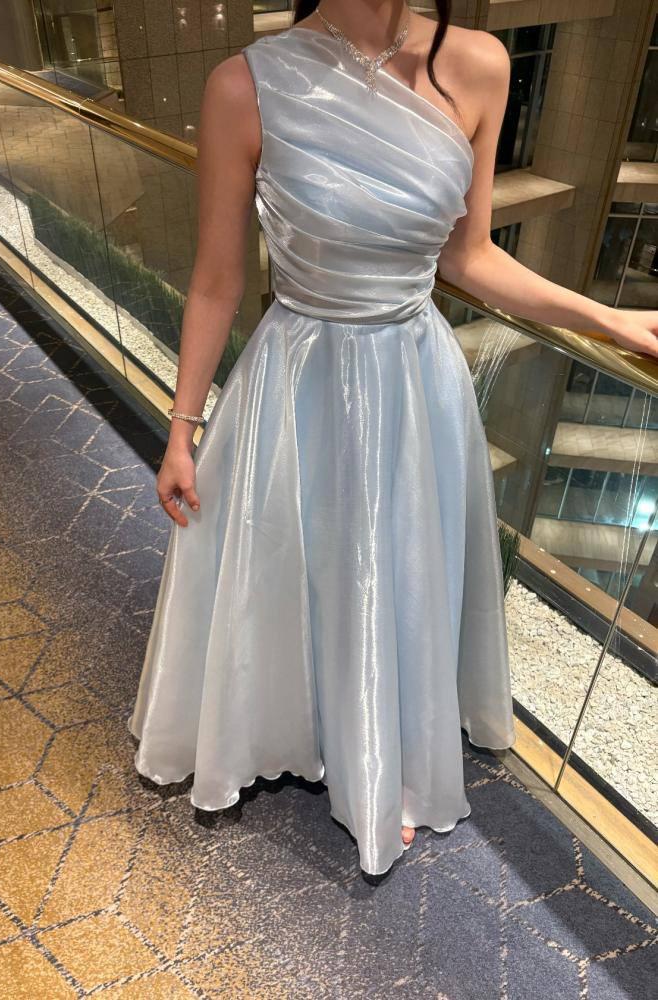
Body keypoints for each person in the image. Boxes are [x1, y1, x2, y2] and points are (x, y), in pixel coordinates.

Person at [128, 0, 658, 877]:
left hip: (415, 377)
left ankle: (380, 752)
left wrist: (607, 318)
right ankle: (305, 725)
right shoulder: (243, 85)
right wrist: (182, 429)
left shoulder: (481, 64)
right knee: (308, 557)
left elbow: (469, 256)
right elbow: (218, 279)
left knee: (393, 565)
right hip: (300, 370)